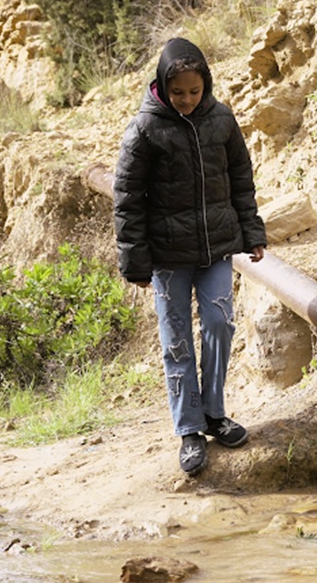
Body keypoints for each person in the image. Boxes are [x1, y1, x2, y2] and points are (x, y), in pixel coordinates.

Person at [113, 38, 267, 477]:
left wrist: (252, 231)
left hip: (216, 247)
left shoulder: (221, 118)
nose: (185, 99)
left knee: (219, 323)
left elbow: (241, 177)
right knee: (176, 340)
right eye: (178, 91)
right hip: (166, 257)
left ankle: (215, 415)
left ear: (206, 85)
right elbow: (127, 198)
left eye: (194, 91)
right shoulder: (144, 129)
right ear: (163, 85)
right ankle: (189, 430)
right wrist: (135, 260)